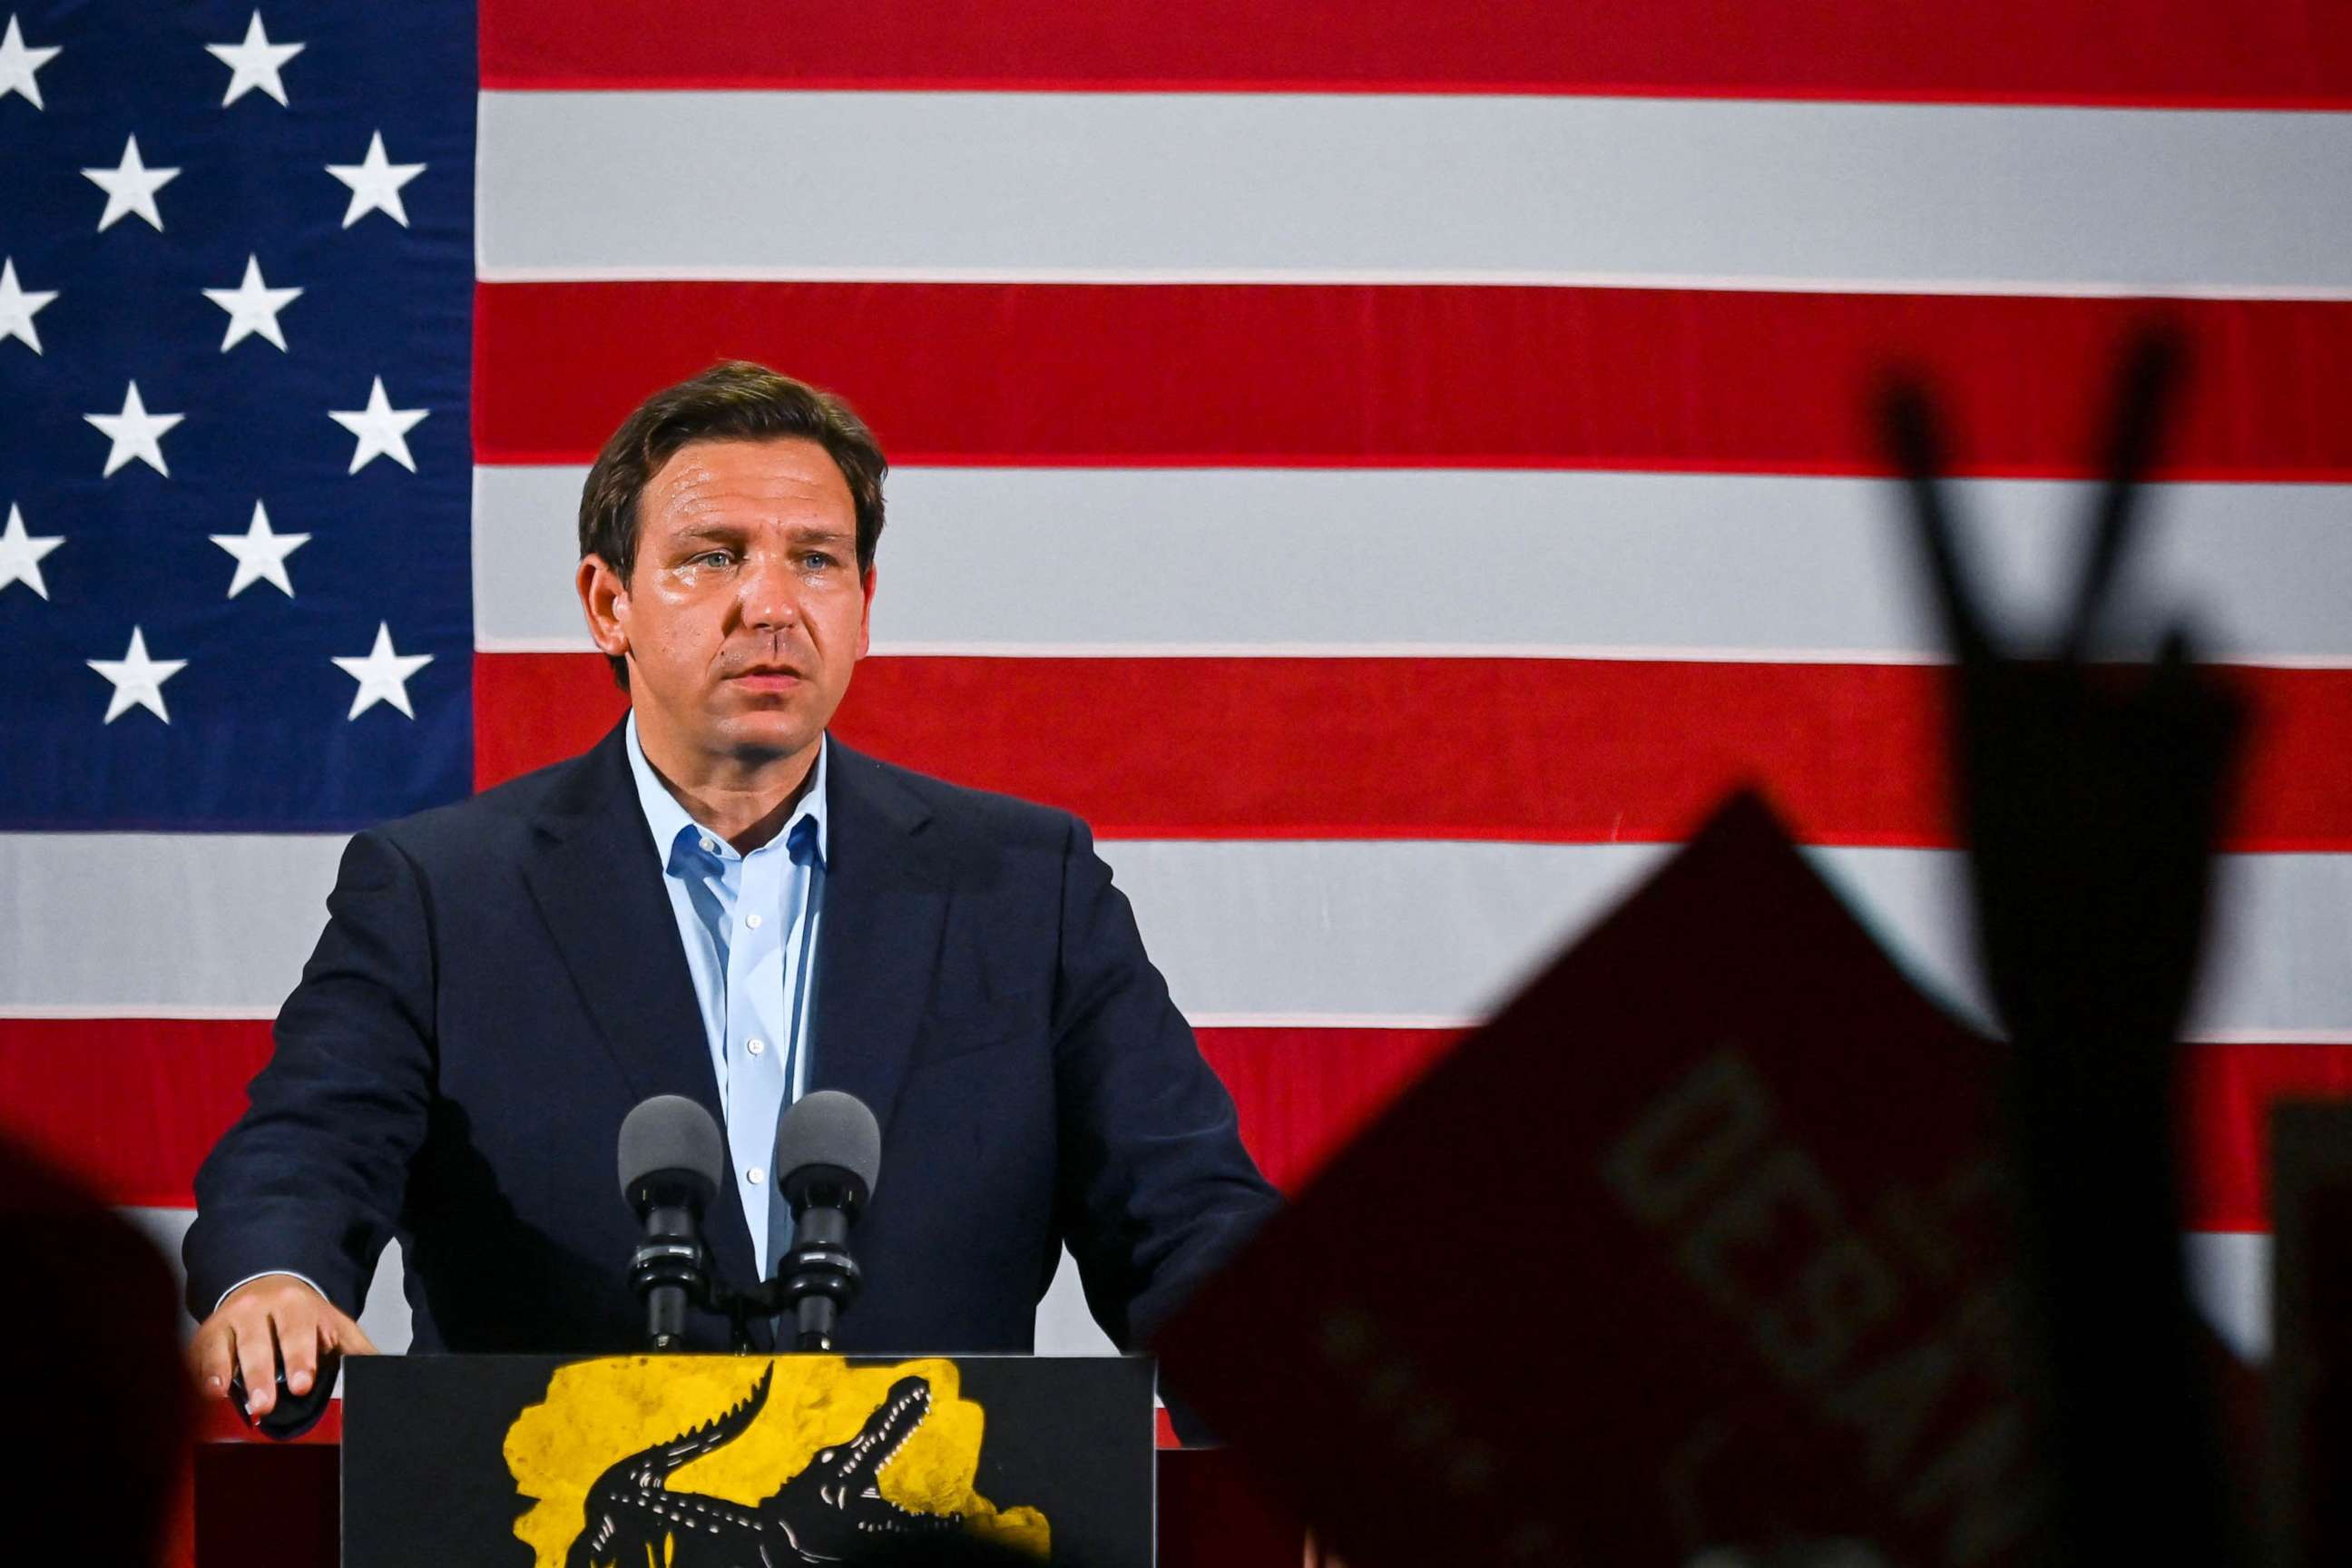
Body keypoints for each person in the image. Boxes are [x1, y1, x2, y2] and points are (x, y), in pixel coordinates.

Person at [184, 361, 1279, 1416]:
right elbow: (306, 1148)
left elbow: (1184, 1216)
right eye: (713, 557)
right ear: (607, 604)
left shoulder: (1024, 889)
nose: (770, 604)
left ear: (863, 601)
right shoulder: (439, 891)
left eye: (815, 559)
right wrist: (274, 1282)